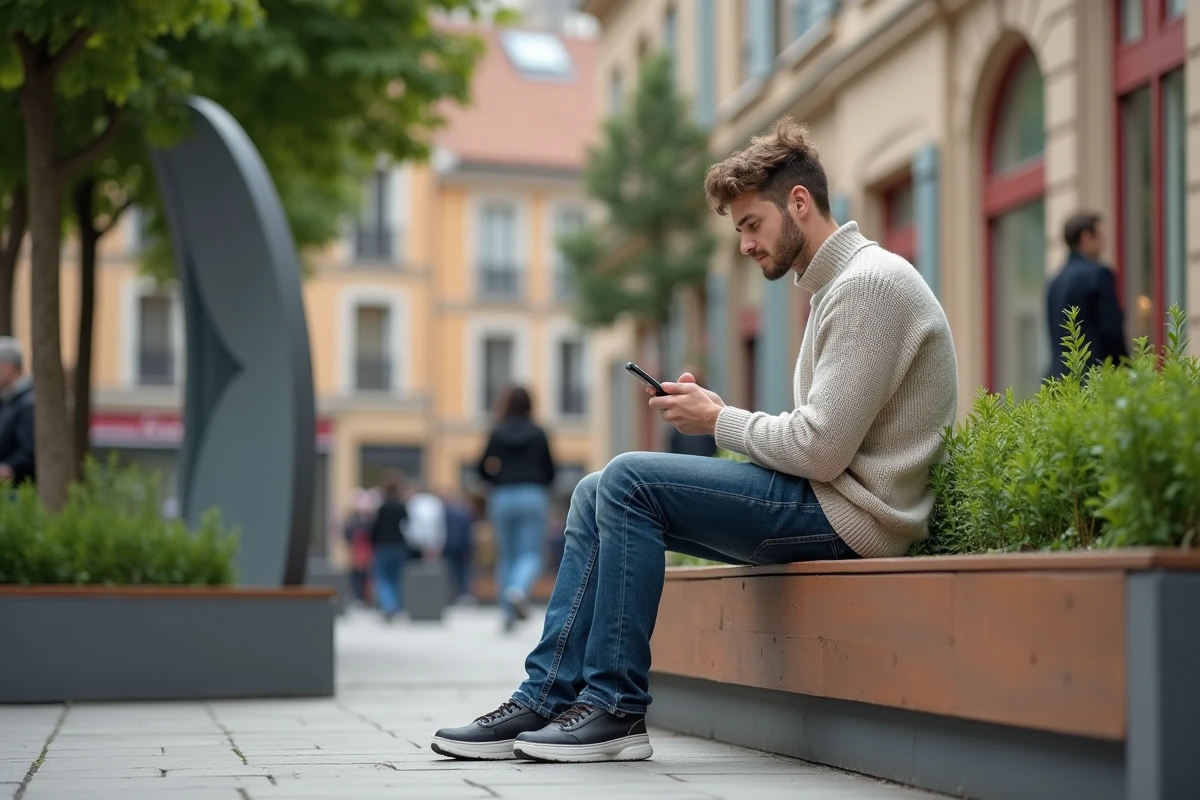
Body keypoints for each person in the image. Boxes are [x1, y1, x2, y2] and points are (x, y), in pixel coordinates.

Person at [431, 117, 958, 764]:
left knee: (627, 480)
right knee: (598, 490)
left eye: (751, 224)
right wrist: (717, 416)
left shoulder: (867, 286)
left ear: (800, 202)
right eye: (738, 230)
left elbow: (823, 450)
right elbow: (825, 442)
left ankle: (615, 711)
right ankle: (545, 697)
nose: (744, 244)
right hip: (829, 499)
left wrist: (718, 419)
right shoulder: (834, 290)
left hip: (857, 515)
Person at [477, 385, 557, 632]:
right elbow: (551, 470)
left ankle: (507, 612)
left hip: (502, 496)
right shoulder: (539, 432)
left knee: (507, 556)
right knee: (531, 553)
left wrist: (497, 478)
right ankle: (518, 590)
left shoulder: (497, 432)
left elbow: (481, 467)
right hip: (533, 495)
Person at [1045, 211, 1130, 379]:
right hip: (1094, 380)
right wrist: (1127, 371)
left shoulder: (1054, 282)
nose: (1103, 242)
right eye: (1100, 235)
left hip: (1061, 382)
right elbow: (1111, 331)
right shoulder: (1098, 274)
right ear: (1086, 237)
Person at [369, 470, 410, 622]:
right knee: (396, 577)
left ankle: (389, 607)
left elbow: (375, 528)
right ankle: (396, 606)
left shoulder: (382, 507)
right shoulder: (401, 506)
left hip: (383, 545)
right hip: (399, 545)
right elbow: (408, 525)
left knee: (383, 578)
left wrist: (373, 542)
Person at [0, 337, 35, 486]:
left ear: (8, 368)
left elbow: (30, 449)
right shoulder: (8, 399)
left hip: (19, 486)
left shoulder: (28, 402)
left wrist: (10, 467)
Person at [342, 489, 376, 607]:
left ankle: (365, 598)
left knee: (367, 576)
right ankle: (357, 597)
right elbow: (346, 533)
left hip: (367, 551)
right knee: (356, 575)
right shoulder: (353, 520)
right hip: (357, 551)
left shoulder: (370, 520)